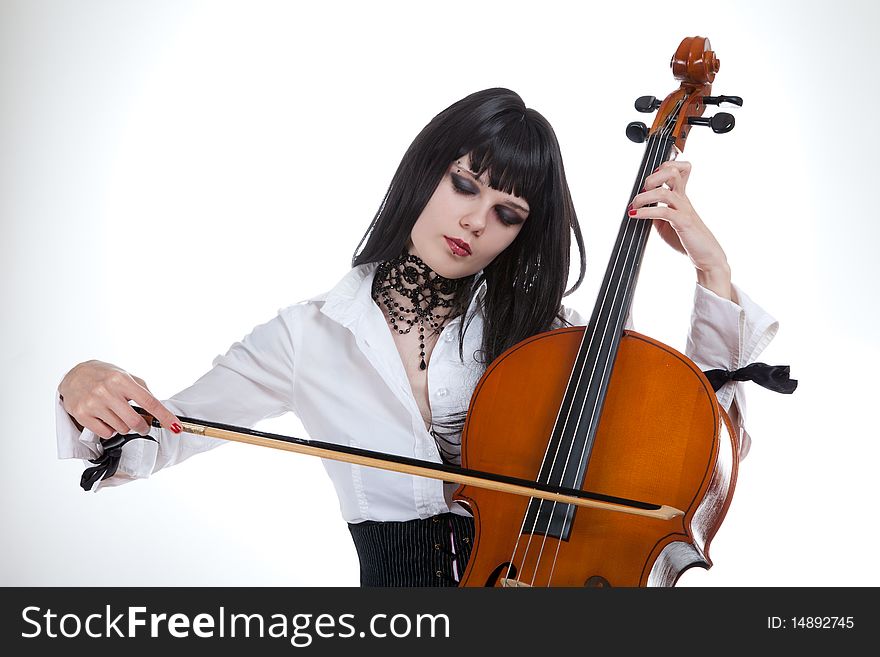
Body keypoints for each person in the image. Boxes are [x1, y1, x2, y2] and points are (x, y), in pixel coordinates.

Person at [56, 88, 779, 586]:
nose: (474, 221)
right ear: (425, 171)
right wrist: (82, 381)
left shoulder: (546, 340)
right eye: (466, 185)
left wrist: (712, 270)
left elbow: (699, 447)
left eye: (507, 211)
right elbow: (152, 442)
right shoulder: (307, 337)